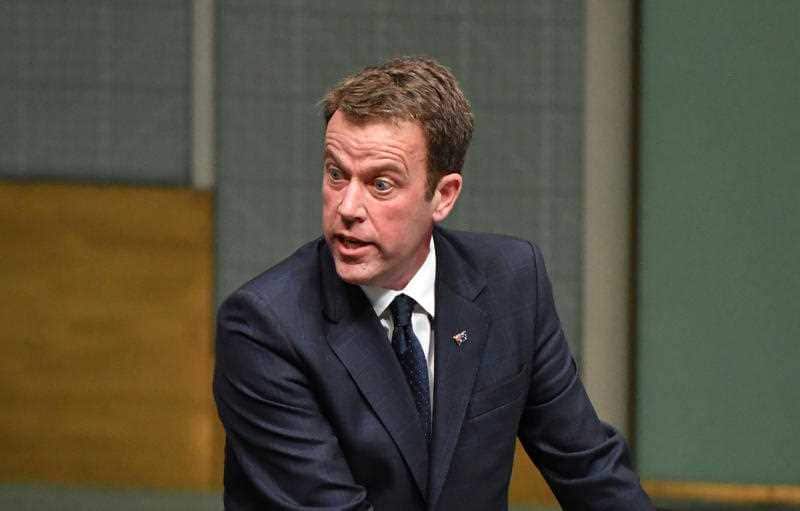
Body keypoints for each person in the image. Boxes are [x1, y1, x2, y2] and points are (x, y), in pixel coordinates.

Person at [213, 56, 654, 510]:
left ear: (443, 196)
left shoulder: (512, 282)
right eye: (336, 174)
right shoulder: (264, 326)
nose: (347, 207)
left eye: (380, 184)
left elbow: (589, 468)